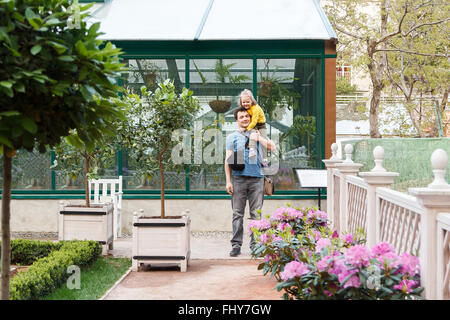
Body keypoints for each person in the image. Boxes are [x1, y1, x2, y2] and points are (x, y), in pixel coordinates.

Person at [224, 106, 276, 257]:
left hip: (257, 179)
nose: (245, 119)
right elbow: (227, 161)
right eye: (242, 117)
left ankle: (255, 245)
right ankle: (236, 245)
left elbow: (273, 148)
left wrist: (258, 138)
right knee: (237, 214)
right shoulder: (232, 137)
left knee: (256, 214)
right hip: (239, 179)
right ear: (237, 120)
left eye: (247, 116)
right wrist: (228, 181)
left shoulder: (257, 133)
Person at [238, 89, 268, 165]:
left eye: (247, 102)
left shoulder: (255, 108)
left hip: (260, 125)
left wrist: (246, 129)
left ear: (252, 101)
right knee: (253, 134)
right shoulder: (246, 109)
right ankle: (252, 149)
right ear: (241, 102)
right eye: (243, 102)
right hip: (253, 125)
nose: (245, 104)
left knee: (263, 140)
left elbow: (254, 121)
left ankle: (265, 158)